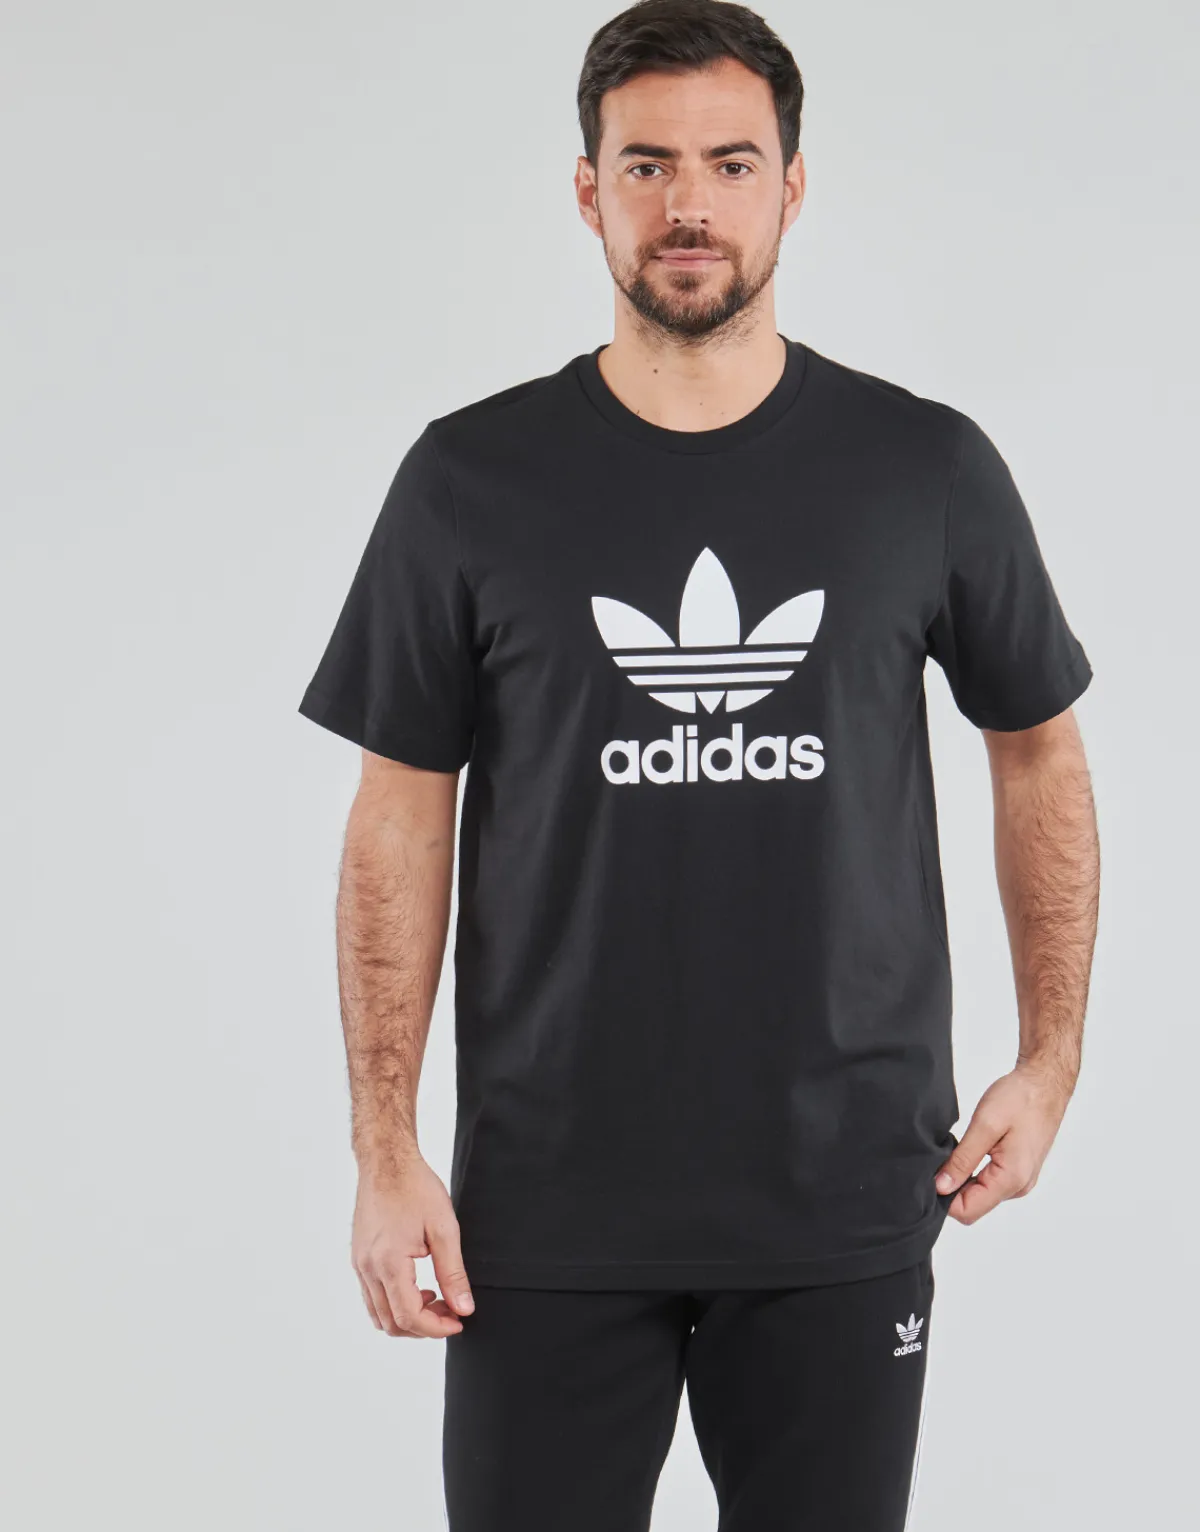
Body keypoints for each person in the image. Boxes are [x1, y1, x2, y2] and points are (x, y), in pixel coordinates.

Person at [297, 2, 1099, 1526]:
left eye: (731, 164)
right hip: (543, 1209)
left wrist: (1051, 1059)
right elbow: (399, 814)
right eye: (646, 164)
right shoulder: (472, 478)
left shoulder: (922, 468)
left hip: (844, 1195)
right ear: (586, 190)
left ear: (792, 186)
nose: (689, 204)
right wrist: (384, 1148)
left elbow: (1040, 750)